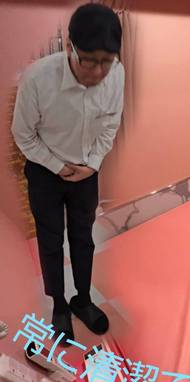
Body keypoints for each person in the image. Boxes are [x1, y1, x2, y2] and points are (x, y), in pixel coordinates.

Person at [11, 3, 125, 345]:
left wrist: (92, 164)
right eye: (89, 61)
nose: (99, 71)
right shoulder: (38, 78)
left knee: (83, 238)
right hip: (45, 171)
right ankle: (59, 305)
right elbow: (23, 135)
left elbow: (110, 123)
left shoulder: (116, 73)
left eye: (107, 61)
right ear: (70, 48)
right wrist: (58, 167)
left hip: (86, 170)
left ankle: (83, 300)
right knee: (50, 240)